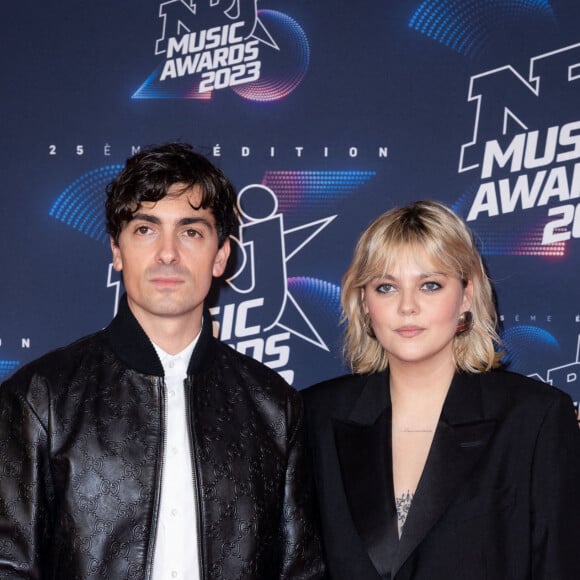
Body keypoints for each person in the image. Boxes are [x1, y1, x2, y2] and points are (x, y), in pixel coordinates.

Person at [0, 143, 324, 579]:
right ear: (117, 251)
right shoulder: (41, 398)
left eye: (191, 232)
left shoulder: (275, 408)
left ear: (221, 256)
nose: (168, 253)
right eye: (146, 230)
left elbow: (299, 571)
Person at [302, 200, 580, 580]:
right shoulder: (314, 416)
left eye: (430, 285)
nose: (407, 307)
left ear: (466, 296)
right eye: (386, 287)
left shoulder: (534, 418)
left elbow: (558, 565)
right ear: (364, 302)